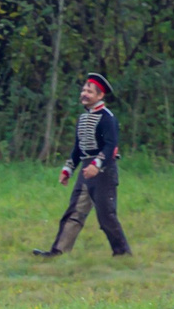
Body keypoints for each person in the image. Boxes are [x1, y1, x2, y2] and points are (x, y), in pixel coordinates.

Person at [34, 72, 130, 257]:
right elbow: (79, 148)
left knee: (106, 216)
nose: (84, 93)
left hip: (104, 171)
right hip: (86, 171)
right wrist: (68, 169)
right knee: (74, 212)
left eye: (89, 91)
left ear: (100, 96)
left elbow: (111, 145)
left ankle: (122, 253)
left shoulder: (107, 117)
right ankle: (58, 251)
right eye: (84, 89)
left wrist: (97, 164)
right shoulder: (83, 118)